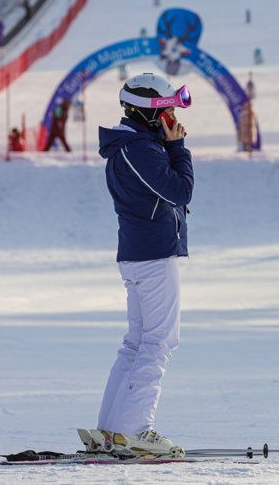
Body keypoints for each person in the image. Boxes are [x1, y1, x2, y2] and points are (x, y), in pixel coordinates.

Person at [96, 73, 193, 456]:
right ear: (150, 114)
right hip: (153, 256)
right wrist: (179, 147)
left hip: (139, 254)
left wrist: (167, 146)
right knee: (160, 340)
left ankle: (112, 429)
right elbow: (180, 190)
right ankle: (135, 430)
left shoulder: (131, 145)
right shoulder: (140, 149)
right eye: (168, 110)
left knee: (137, 343)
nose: (173, 118)